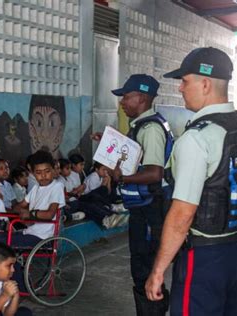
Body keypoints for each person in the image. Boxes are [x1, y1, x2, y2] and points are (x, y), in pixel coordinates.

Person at [145, 47, 237, 315]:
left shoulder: (197, 138)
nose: (180, 89)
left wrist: (158, 270)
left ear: (205, 83)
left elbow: (183, 214)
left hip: (205, 259)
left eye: (184, 82)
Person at [93, 73, 173, 315]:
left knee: (145, 269)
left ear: (142, 98)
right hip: (142, 208)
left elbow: (154, 173)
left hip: (151, 210)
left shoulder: (150, 129)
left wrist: (122, 178)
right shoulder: (140, 126)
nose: (122, 102)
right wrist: (109, 141)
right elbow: (133, 156)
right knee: (142, 267)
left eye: (126, 97)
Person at [0, 150, 65, 248]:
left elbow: (49, 214)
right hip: (29, 231)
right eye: (38, 172)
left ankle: (11, 264)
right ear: (33, 173)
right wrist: (5, 211)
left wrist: (30, 214)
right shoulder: (36, 188)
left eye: (47, 171)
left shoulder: (57, 186)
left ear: (53, 169)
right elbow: (20, 206)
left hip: (41, 236)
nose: (43, 176)